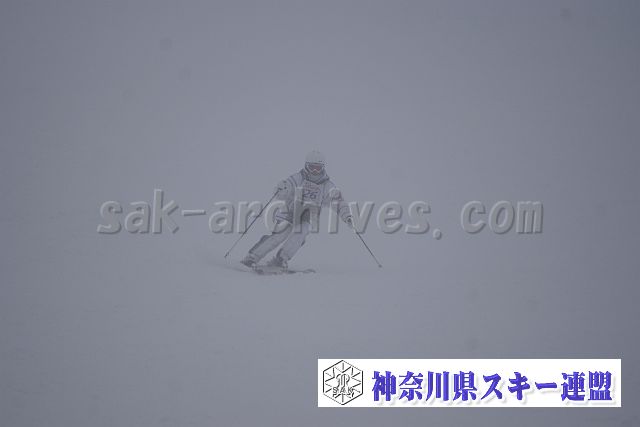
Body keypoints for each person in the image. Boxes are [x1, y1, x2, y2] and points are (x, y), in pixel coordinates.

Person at [241, 150, 353, 270]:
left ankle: (280, 260)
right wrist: (281, 189)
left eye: (318, 168)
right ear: (306, 166)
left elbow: (339, 203)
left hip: (308, 216)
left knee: (300, 235)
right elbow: (285, 188)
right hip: (290, 211)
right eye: (312, 168)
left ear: (323, 168)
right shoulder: (299, 178)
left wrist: (347, 216)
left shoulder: (327, 186)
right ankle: (251, 258)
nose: (315, 171)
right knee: (279, 235)